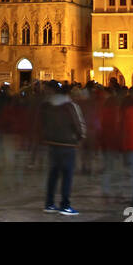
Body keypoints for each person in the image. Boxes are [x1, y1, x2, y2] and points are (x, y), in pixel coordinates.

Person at [40, 81, 86, 215]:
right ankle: (65, 205)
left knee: (53, 174)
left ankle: (49, 203)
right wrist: (80, 137)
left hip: (52, 143)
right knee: (67, 175)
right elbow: (78, 124)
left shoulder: (46, 105)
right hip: (67, 144)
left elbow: (41, 123)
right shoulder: (70, 106)